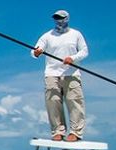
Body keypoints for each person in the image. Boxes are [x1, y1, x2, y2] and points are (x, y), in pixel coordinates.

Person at [31, 8, 89, 141]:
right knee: (53, 103)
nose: (59, 21)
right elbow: (35, 50)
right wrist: (36, 52)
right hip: (51, 73)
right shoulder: (47, 36)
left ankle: (75, 132)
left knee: (74, 102)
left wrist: (73, 58)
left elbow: (84, 51)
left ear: (67, 19)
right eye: (56, 18)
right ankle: (58, 131)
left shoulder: (76, 34)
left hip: (71, 73)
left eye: (61, 18)